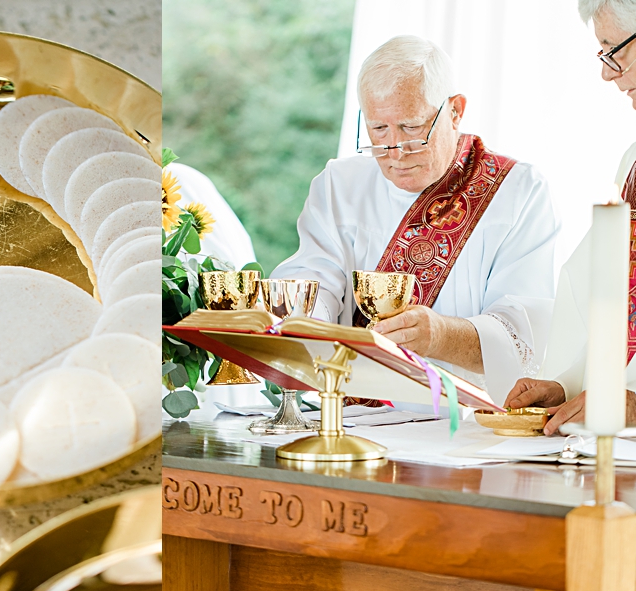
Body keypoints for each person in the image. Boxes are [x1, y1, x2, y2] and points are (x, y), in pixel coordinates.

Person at [271, 35, 561, 404]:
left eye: (411, 128)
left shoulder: (518, 190)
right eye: (378, 130)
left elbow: (524, 335)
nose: (395, 151)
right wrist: (301, 317)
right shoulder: (339, 185)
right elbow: (313, 282)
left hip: (463, 425)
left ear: (455, 110)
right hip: (350, 419)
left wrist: (440, 336)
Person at [506, 0, 636, 434]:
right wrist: (566, 386)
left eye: (614, 51)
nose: (607, 73)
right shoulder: (632, 162)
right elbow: (607, 295)